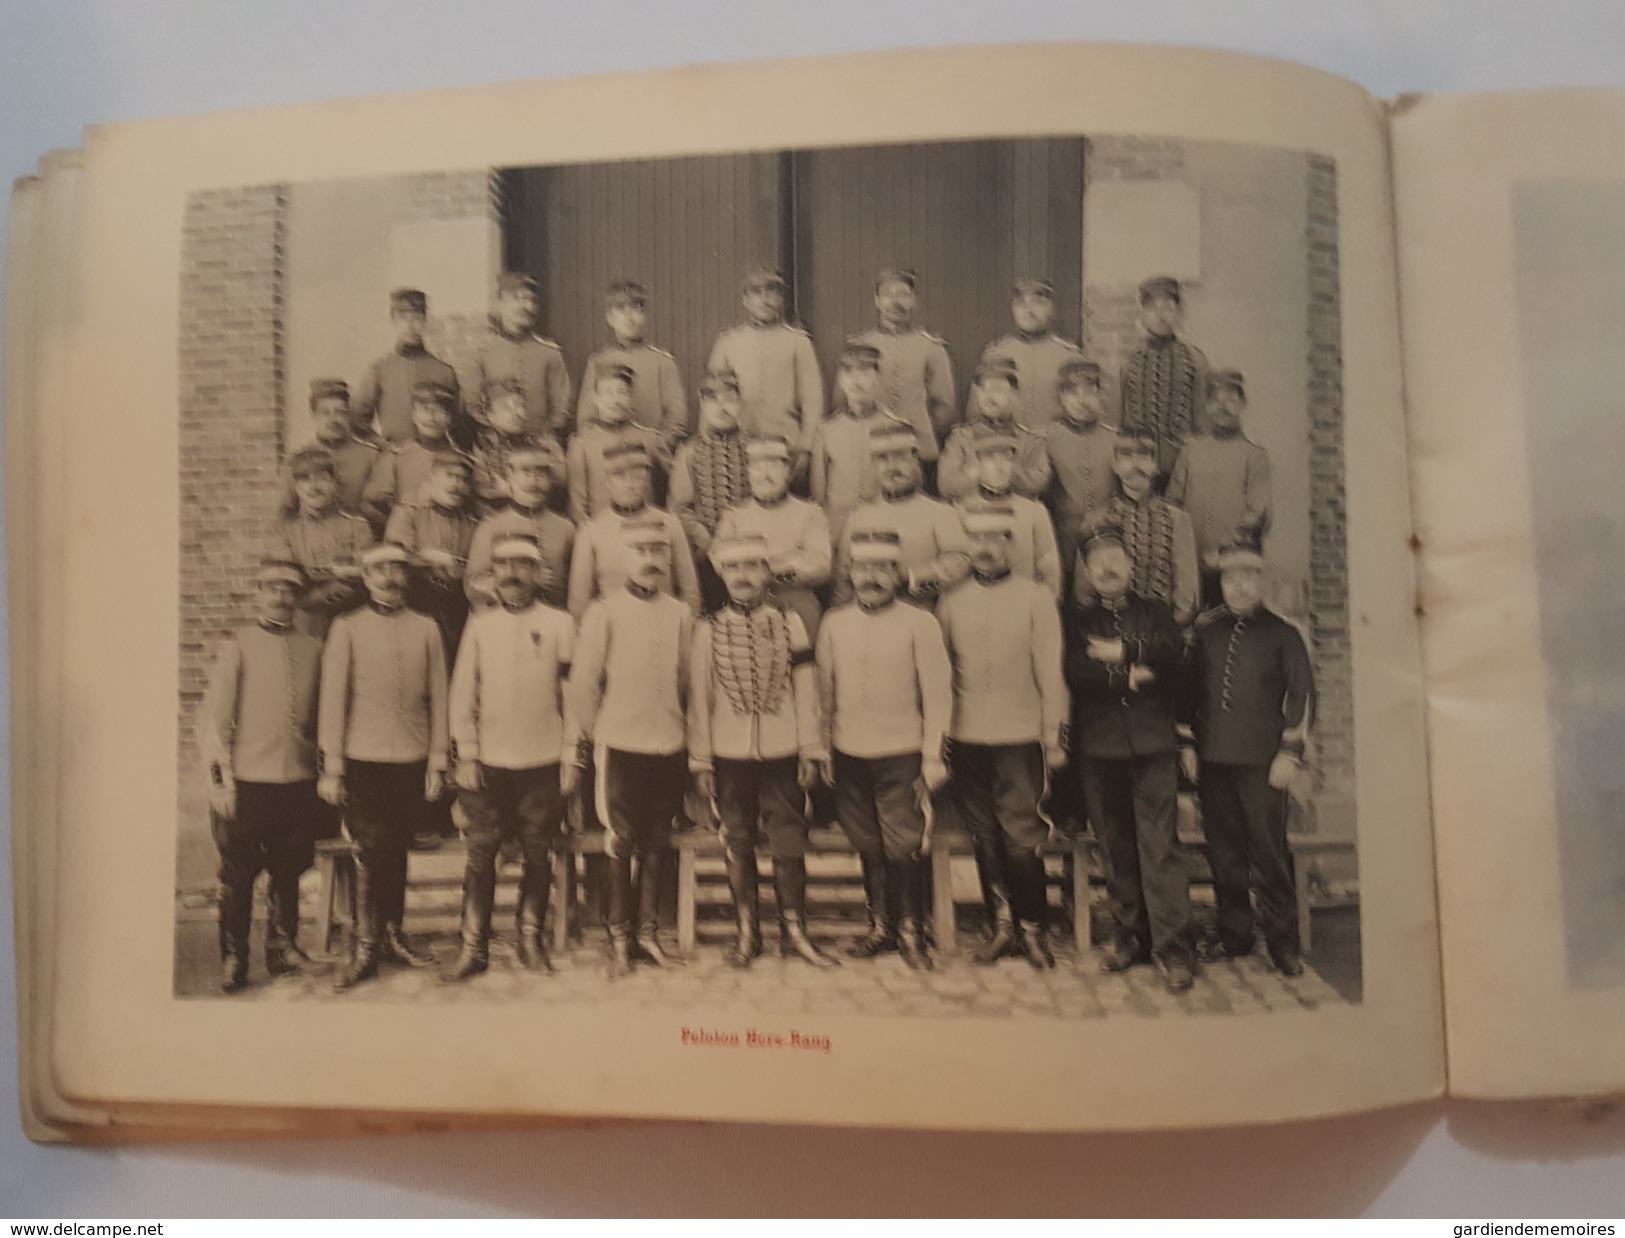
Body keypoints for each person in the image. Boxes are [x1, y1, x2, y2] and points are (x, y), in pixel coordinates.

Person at [689, 535, 836, 970]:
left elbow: (808, 691)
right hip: (728, 753)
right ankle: (747, 932)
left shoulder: (790, 623)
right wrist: (700, 759)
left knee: (788, 840)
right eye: (734, 569)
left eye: (753, 567)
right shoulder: (707, 630)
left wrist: (811, 747)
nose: (743, 577)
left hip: (782, 749)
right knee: (737, 840)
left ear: (767, 574)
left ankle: (794, 931)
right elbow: (700, 699)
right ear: (722, 575)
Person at [936, 506, 1068, 969]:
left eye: (996, 539)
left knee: (1021, 833)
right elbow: (943, 676)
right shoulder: (950, 602)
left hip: (1019, 734)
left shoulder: (1035, 598)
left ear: (1011, 544)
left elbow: (1051, 673)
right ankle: (1002, 926)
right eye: (977, 539)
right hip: (968, 735)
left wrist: (1053, 735)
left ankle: (1034, 930)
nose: (986, 548)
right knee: (984, 835)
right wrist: (943, 737)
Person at [816, 529, 952, 971]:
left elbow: (938, 696)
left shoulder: (920, 623)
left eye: (881, 568)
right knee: (868, 844)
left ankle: (913, 932)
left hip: (902, 752)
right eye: (861, 568)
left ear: (897, 572)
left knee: (905, 843)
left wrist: (933, 755)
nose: (870, 577)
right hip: (849, 753)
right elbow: (824, 693)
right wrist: (823, 750)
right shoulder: (834, 623)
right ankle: (880, 928)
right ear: (850, 573)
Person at [1066, 525, 1194, 993]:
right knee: (1116, 850)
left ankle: (1175, 949)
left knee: (1159, 848)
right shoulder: (1077, 621)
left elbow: (1172, 654)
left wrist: (1123, 651)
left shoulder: (1156, 612)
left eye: (1114, 555)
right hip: (1099, 750)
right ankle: (1129, 939)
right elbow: (1076, 670)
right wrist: (1129, 678)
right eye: (1096, 560)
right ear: (1087, 572)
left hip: (1153, 746)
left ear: (1131, 564)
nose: (1106, 566)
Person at [444, 532, 577, 982]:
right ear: (492, 574)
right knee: (481, 852)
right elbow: (462, 693)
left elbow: (572, 696)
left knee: (539, 851)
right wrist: (466, 752)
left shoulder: (560, 623)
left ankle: (529, 938)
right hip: (488, 761)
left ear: (537, 573)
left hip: (541, 759)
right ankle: (473, 946)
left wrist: (570, 754)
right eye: (503, 566)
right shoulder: (480, 625)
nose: (512, 575)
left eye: (522, 566)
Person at [318, 542, 450, 992]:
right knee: (370, 850)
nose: (389, 577)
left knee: (397, 849)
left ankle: (393, 934)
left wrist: (437, 759)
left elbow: (440, 697)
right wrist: (332, 766)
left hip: (411, 758)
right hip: (362, 758)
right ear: (366, 577)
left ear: (406, 576)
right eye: (379, 570)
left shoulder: (427, 628)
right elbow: (333, 701)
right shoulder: (346, 627)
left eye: (396, 569)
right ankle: (365, 946)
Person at [566, 523, 695, 979]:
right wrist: (596, 730)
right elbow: (583, 682)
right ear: (625, 558)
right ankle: (619, 939)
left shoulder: (680, 612)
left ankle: (648, 934)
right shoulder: (605, 611)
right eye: (641, 549)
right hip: (619, 741)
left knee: (658, 839)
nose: (651, 558)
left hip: (668, 740)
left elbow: (685, 678)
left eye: (659, 549)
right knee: (619, 840)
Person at [1184, 540, 1315, 976]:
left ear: (1261, 582)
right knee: (1224, 854)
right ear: (1220, 583)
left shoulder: (1284, 634)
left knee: (1270, 853)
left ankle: (1283, 944)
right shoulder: (1206, 630)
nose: (1237, 587)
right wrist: (1187, 744)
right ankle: (1234, 936)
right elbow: (1188, 695)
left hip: (1264, 764)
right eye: (1229, 578)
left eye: (1247, 578)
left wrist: (1289, 754)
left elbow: (1301, 697)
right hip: (1214, 760)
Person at [200, 558, 330, 993]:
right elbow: (214, 721)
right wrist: (220, 782)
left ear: (297, 597)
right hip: (248, 779)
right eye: (272, 589)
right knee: (238, 872)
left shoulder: (313, 648)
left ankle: (283, 946)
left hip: (296, 778)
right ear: (258, 593)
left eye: (288, 590)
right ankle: (234, 956)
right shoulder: (239, 644)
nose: (280, 597)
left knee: (289, 868)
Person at [1073, 428, 1200, 629]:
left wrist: (1164, 637)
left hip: (1162, 630)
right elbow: (1083, 593)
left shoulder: (1177, 519)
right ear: (1115, 465)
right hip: (1108, 629)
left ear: (1155, 465)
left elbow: (1187, 594)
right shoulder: (1096, 518)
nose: (1135, 465)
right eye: (1126, 456)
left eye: (1144, 456)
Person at [1166, 369, 1272, 609]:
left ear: (1242, 404)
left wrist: (1224, 554)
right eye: (1216, 400)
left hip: (1233, 566)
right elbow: (1172, 503)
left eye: (1231, 399)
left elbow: (1257, 513)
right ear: (1206, 404)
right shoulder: (1191, 451)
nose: (1222, 407)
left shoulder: (1254, 456)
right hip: (1189, 562)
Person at [833, 423, 970, 608]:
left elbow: (959, 562)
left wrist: (909, 576)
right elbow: (843, 578)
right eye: (883, 458)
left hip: (921, 613)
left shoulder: (940, 513)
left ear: (915, 459)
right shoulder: (859, 516)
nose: (892, 467)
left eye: (900, 457)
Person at [714, 436, 831, 643]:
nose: (765, 474)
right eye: (757, 466)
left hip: (798, 607)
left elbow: (820, 564)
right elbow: (719, 561)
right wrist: (793, 557)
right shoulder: (733, 516)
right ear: (748, 473)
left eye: (774, 465)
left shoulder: (810, 513)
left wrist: (755, 565)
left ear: (788, 471)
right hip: (746, 610)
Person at [566, 441, 701, 619]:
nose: (630, 484)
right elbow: (579, 602)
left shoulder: (669, 523)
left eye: (638, 476)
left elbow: (689, 588)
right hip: (614, 627)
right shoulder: (592, 531)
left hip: (664, 624)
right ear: (607, 481)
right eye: (620, 477)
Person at [707, 266, 824, 465]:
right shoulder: (728, 342)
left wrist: (805, 447)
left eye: (772, 292)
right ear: (745, 300)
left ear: (781, 300)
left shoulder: (798, 341)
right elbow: (712, 397)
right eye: (756, 292)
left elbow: (812, 400)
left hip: (787, 444)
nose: (765, 299)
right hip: (738, 445)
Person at [847, 267, 957, 475]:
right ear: (877, 300)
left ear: (914, 300)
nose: (895, 302)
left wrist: (924, 431)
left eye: (903, 295)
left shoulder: (931, 347)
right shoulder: (860, 344)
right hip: (871, 447)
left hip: (919, 448)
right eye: (888, 295)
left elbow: (944, 405)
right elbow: (844, 402)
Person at [808, 341, 914, 542]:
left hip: (883, 525)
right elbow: (819, 493)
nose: (856, 380)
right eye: (848, 372)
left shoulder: (897, 426)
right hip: (836, 527)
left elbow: (909, 486)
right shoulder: (827, 430)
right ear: (840, 379)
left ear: (878, 378)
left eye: (865, 372)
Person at [669, 369, 751, 612]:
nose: (722, 407)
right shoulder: (689, 451)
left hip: (748, 549)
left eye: (729, 399)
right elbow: (679, 507)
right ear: (703, 405)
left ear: (740, 404)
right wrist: (706, 540)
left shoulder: (754, 448)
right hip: (704, 554)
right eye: (713, 400)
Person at [273, 445, 375, 641]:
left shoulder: (357, 525)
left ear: (335, 484)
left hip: (354, 614)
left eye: (323, 478)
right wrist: (322, 592)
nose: (314, 486)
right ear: (296, 486)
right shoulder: (287, 533)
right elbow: (286, 578)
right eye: (305, 479)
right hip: (307, 619)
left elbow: (368, 570)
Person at [576, 279, 689, 452]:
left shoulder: (662, 362)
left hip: (651, 453)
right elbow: (586, 419)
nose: (629, 317)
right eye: (621, 309)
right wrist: (602, 449)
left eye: (636, 308)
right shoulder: (598, 361)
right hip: (607, 456)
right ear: (610, 317)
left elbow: (676, 416)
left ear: (645, 316)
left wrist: (656, 445)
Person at [465, 440, 575, 612]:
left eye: (542, 474)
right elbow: (473, 585)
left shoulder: (566, 528)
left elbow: (577, 585)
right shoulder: (491, 526)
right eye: (526, 473)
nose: (534, 482)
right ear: (510, 474)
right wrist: (523, 580)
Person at [1119, 275, 1210, 480]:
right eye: (1153, 308)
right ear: (1142, 314)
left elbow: (1203, 423)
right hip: (1139, 469)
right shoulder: (1129, 362)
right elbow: (1123, 421)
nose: (1160, 316)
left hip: (1183, 467)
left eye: (1168, 308)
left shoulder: (1195, 360)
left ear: (1179, 314)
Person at [952, 429, 1062, 599]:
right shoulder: (960, 511)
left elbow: (1049, 568)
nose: (999, 464)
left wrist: (1042, 607)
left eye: (1007, 457)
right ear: (977, 463)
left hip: (1023, 605)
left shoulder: (1034, 511)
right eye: (990, 457)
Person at [465, 272, 572, 442]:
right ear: (500, 303)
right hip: (496, 444)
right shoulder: (481, 352)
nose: (525, 306)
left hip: (540, 443)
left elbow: (561, 405)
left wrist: (549, 434)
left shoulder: (550, 353)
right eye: (516, 298)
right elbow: (473, 403)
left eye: (531, 300)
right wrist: (493, 432)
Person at [1043, 358, 1118, 596]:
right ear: (1062, 398)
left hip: (1110, 542)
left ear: (1100, 395)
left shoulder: (1115, 439)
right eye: (1073, 392)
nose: (1082, 400)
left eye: (1090, 390)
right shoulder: (1048, 440)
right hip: (1062, 543)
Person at [971, 278, 1084, 432]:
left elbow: (1085, 413)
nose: (1028, 310)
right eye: (1021, 303)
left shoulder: (1069, 356)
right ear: (1013, 309)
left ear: (1050, 309)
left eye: (1038, 302)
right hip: (1006, 447)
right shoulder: (995, 354)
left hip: (1053, 446)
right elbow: (975, 413)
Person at [353, 288, 462, 446]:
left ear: (425, 320)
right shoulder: (380, 370)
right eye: (403, 318)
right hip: (396, 457)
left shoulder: (444, 371)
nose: (410, 325)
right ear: (393, 321)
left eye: (417, 318)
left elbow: (457, 424)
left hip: (437, 460)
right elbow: (356, 421)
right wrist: (385, 446)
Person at [565, 363, 669, 526]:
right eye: (608, 392)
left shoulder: (650, 439)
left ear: (631, 398)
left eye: (622, 392)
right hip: (603, 533)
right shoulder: (582, 445)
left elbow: (667, 490)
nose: (615, 400)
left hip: (647, 531)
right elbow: (577, 505)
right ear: (596, 398)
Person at [361, 379, 471, 529]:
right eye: (426, 409)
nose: (432, 418)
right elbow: (371, 503)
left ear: (450, 419)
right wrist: (398, 525)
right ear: (414, 414)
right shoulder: (397, 455)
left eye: (441, 411)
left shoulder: (461, 459)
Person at [937, 357, 1051, 500]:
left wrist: (1009, 472)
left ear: (1014, 394)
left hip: (1018, 516)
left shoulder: (1030, 441)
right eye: (983, 389)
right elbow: (945, 485)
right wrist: (977, 474)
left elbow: (1040, 482)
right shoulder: (961, 438)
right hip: (972, 515)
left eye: (997, 389)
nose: (988, 396)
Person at [277, 378, 381, 522]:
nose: (333, 419)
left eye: (340, 412)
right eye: (325, 412)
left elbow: (379, 510)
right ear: (313, 414)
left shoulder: (371, 457)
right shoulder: (297, 459)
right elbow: (285, 513)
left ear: (348, 415)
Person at [469, 376, 551, 515]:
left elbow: (548, 484)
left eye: (520, 405)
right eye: (506, 407)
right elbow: (483, 487)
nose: (517, 413)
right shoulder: (481, 446)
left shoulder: (536, 443)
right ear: (490, 415)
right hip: (491, 514)